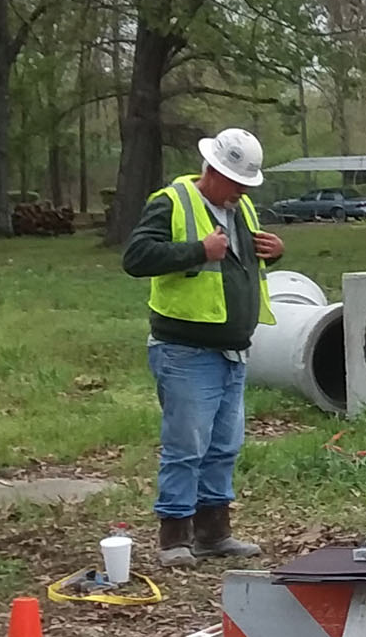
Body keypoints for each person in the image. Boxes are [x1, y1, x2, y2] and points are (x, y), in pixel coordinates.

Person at [121, 128, 284, 568]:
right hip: (185, 349)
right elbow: (136, 258)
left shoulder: (242, 207)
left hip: (232, 350)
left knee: (223, 445)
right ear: (212, 170)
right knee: (186, 444)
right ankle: (174, 536)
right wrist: (198, 250)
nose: (241, 192)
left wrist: (275, 251)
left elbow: (241, 262)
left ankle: (214, 533)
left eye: (247, 185)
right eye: (236, 183)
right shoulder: (171, 202)